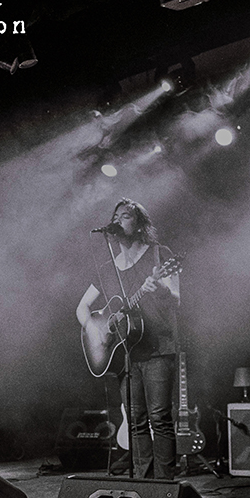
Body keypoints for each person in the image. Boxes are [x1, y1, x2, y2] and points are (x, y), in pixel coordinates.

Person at [76, 198, 180, 479]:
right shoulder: (107, 269)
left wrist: (158, 290)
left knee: (159, 418)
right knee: (135, 421)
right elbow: (82, 307)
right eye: (116, 216)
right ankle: (142, 482)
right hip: (124, 354)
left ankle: (165, 485)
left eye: (126, 216)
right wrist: (98, 330)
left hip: (158, 348)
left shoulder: (160, 255)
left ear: (140, 224)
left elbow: (176, 299)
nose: (119, 221)